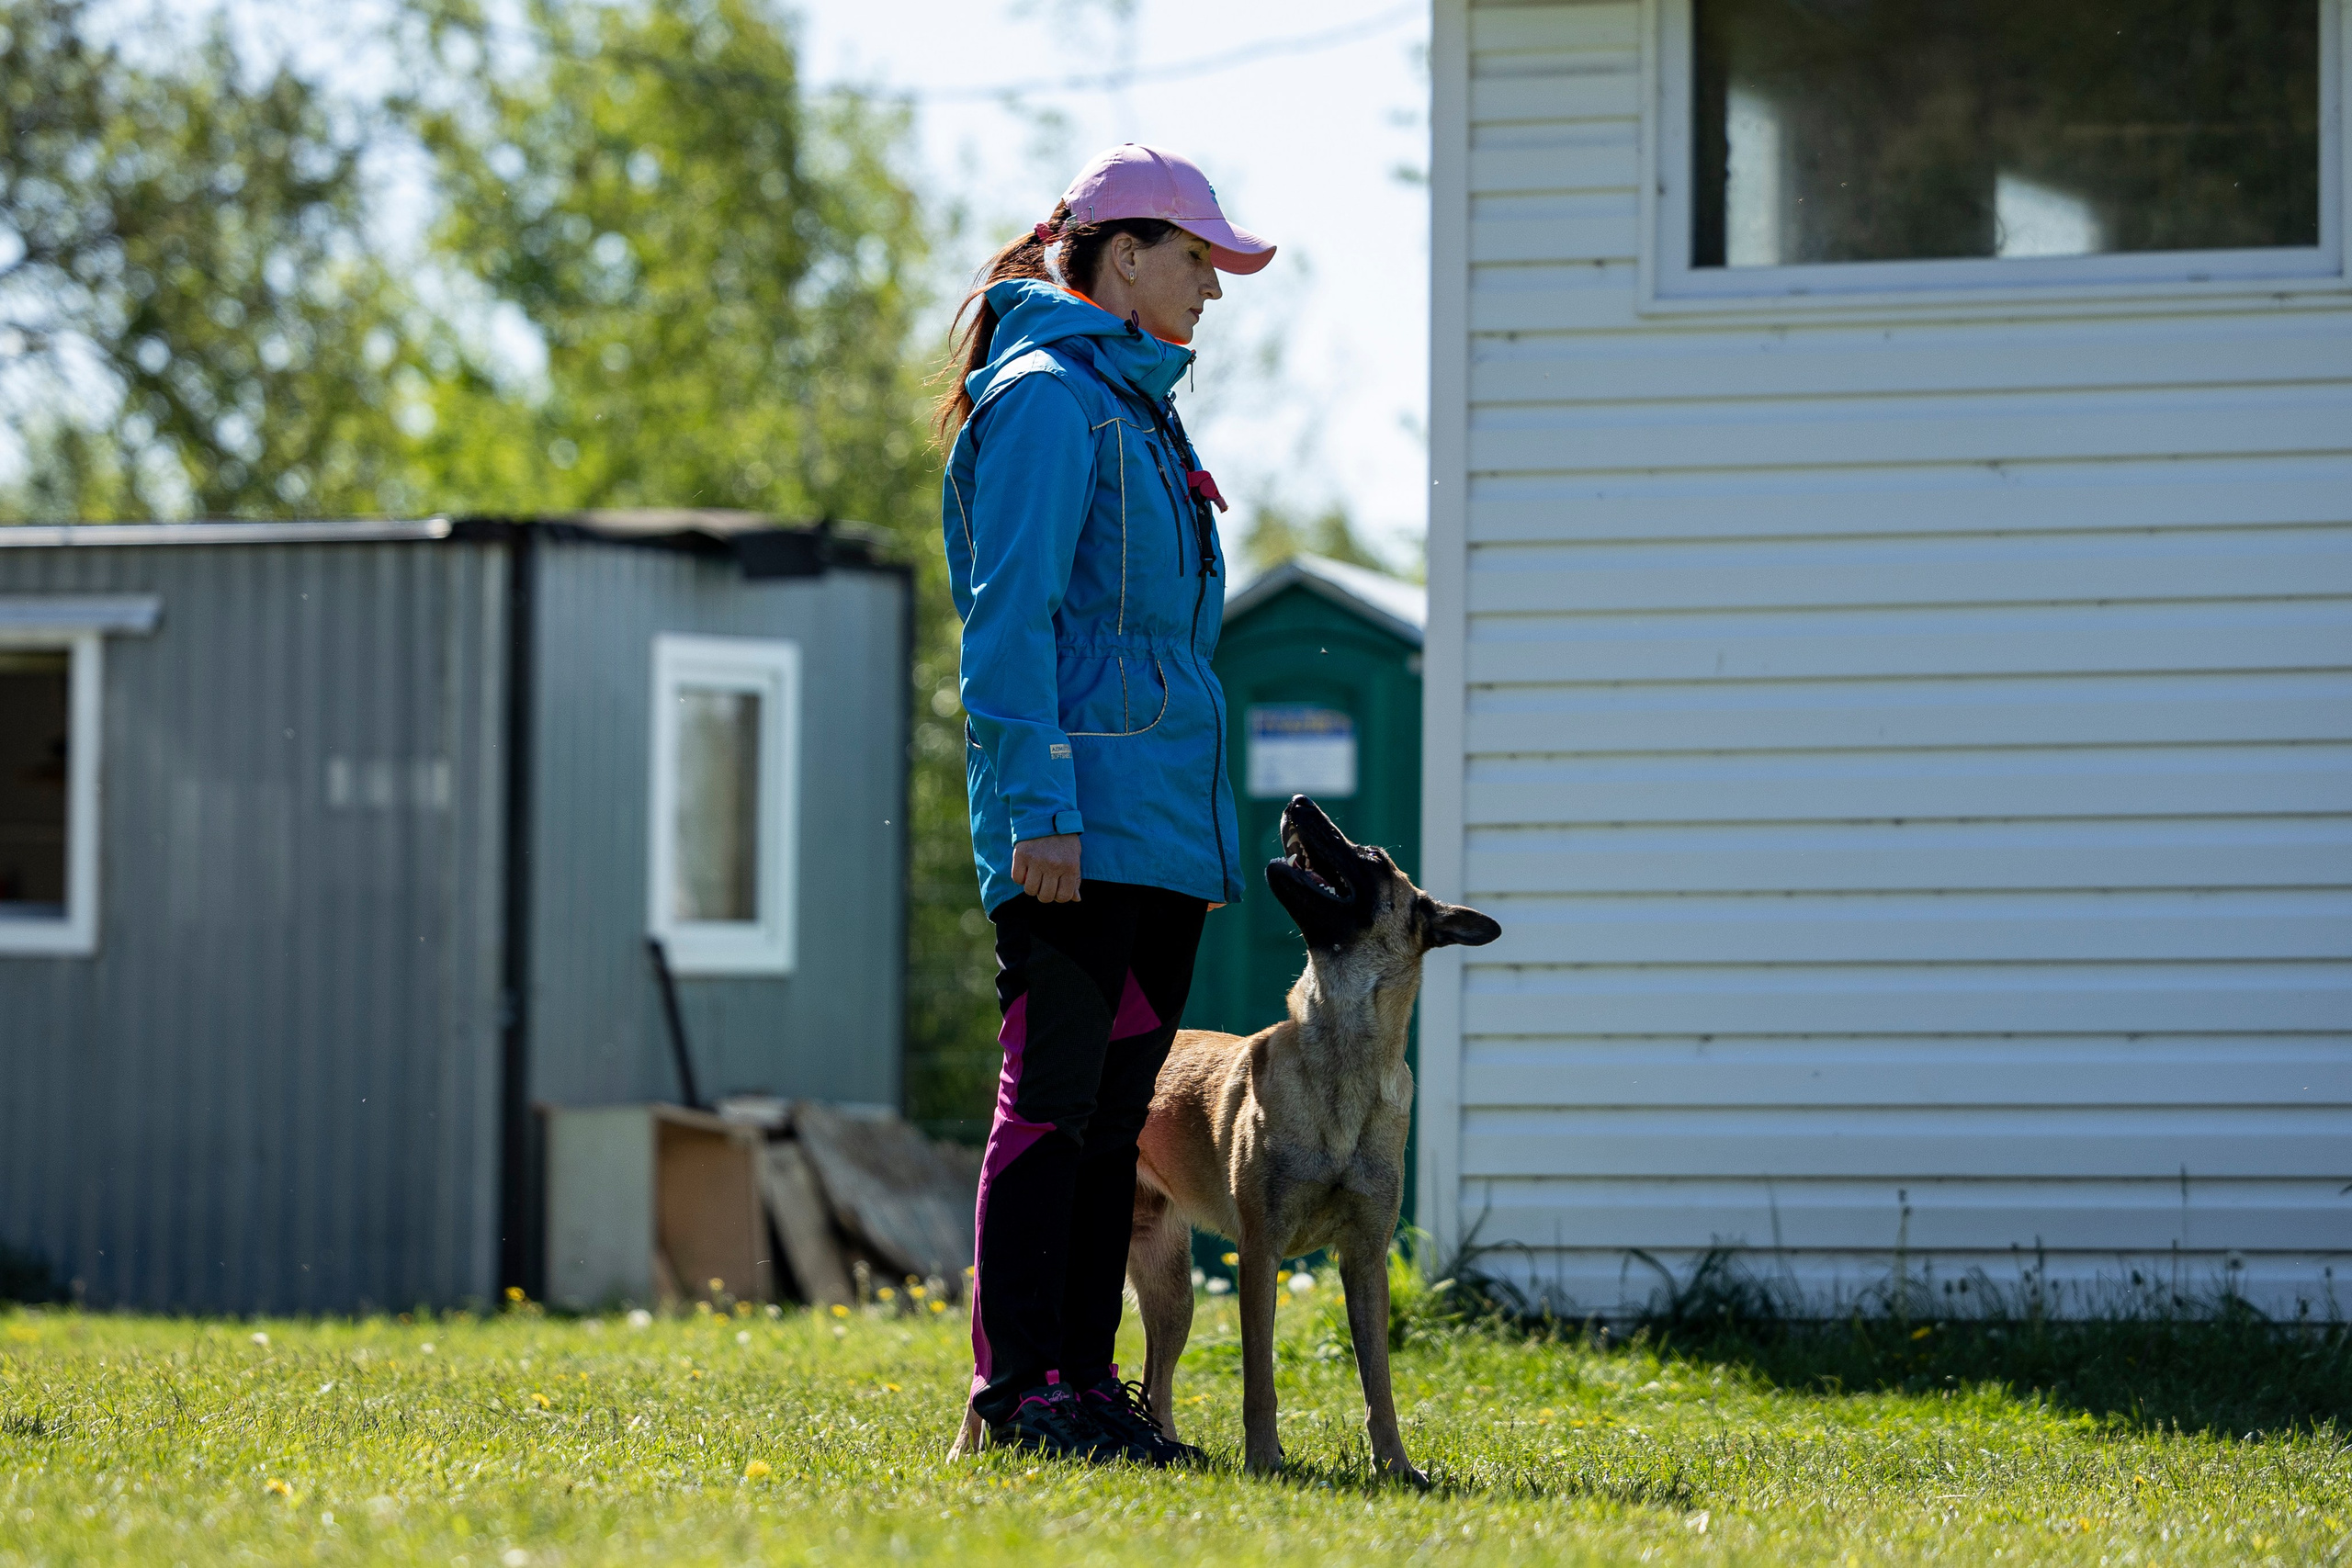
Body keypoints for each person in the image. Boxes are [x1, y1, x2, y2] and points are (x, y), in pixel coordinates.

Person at [935, 144, 1273, 1465]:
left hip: (1163, 835)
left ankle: (1084, 1391)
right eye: (1197, 258)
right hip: (1075, 829)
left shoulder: (1138, 409)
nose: (1213, 287)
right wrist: (1038, 808)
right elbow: (1006, 623)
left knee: (1111, 1121)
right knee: (1053, 1106)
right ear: (1122, 255)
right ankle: (1020, 1395)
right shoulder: (1042, 404)